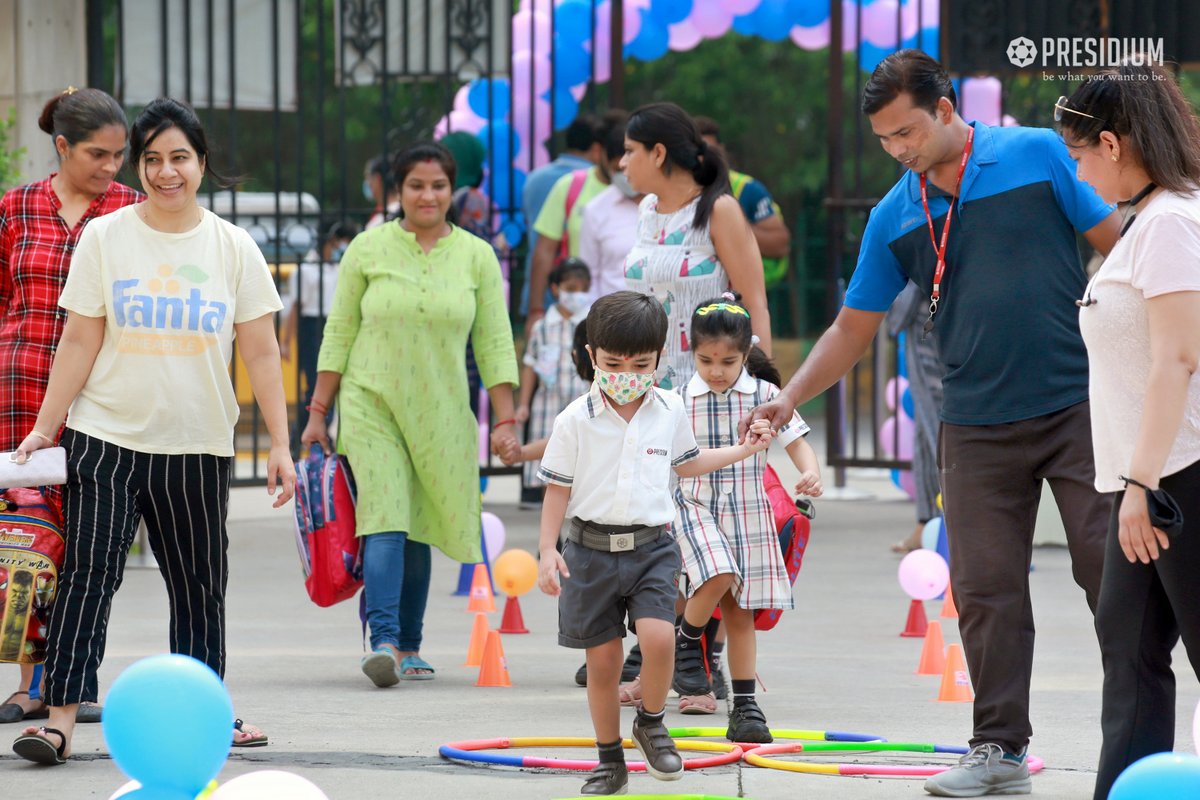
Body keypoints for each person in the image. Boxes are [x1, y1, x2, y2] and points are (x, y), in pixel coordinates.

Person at [745, 50, 1123, 797]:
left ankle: (1137, 738)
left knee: (1109, 571)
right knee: (985, 590)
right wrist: (788, 397)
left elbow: (1120, 244)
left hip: (1078, 407)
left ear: (946, 109)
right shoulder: (894, 214)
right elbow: (852, 330)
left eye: (907, 132)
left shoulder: (1038, 154)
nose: (899, 150)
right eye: (885, 140)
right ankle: (998, 750)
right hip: (974, 425)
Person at [9, 97, 294, 765]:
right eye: (154, 160)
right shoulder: (106, 239)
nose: (168, 173)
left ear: (202, 163)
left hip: (196, 445)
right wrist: (46, 428)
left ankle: (205, 712)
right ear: (139, 167)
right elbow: (79, 340)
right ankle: (59, 720)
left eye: (180, 159)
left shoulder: (233, 246)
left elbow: (259, 352)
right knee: (88, 576)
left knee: (199, 583)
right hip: (105, 437)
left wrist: (279, 445)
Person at [536, 290, 775, 796]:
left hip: (651, 548)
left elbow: (687, 464)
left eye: (641, 363)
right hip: (589, 551)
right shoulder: (575, 419)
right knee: (602, 664)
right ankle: (608, 760)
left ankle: (650, 719)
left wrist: (742, 449)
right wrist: (546, 550)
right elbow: (557, 487)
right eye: (612, 362)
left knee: (661, 638)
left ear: (660, 358)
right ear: (591, 356)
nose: (626, 372)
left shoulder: (667, 409)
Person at [301, 141, 519, 688]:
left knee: (420, 524)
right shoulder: (367, 250)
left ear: (452, 190)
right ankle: (384, 642)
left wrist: (509, 420)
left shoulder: (476, 256)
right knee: (386, 518)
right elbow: (339, 333)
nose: (427, 195)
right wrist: (318, 411)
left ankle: (412, 644)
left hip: (443, 412)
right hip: (370, 403)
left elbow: (495, 342)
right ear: (398, 190)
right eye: (416, 185)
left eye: (438, 185)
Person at [1055, 64, 1200, 800]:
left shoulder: (1172, 222)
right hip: (1148, 475)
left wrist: (1144, 484)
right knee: (1130, 651)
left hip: (1177, 474)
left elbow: (1178, 356)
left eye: (1078, 156)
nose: (1078, 173)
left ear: (1110, 144)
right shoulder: (1152, 221)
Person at [0, 87, 140, 728]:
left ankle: (71, 678)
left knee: (90, 550)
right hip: (19, 396)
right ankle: (30, 683)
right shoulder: (16, 207)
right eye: (97, 154)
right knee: (28, 543)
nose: (112, 168)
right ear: (61, 146)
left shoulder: (134, 212)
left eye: (119, 155)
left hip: (100, 407)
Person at [660, 293, 821, 733]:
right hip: (694, 504)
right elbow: (670, 460)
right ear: (689, 349)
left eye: (728, 361)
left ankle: (746, 707)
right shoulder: (675, 400)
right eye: (706, 359)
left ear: (746, 353)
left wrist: (809, 473)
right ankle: (687, 641)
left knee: (739, 610)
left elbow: (797, 441)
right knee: (715, 575)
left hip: (749, 508)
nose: (716, 371)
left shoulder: (768, 395)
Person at [621, 102, 772, 392]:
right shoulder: (646, 210)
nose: (621, 163)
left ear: (658, 153)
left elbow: (754, 304)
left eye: (629, 150)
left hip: (711, 391)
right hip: (647, 394)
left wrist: (762, 391)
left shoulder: (719, 209)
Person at [526, 110, 628, 337]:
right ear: (599, 151)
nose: (623, 164)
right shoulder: (570, 186)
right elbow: (544, 250)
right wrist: (535, 310)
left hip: (632, 313)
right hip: (575, 307)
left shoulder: (642, 192)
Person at [515, 258, 591, 506]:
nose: (576, 295)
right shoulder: (542, 327)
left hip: (581, 401)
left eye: (583, 289)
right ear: (555, 289)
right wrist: (523, 405)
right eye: (570, 289)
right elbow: (530, 365)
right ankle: (551, 534)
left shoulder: (590, 324)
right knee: (549, 465)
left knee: (580, 466)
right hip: (547, 406)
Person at [694, 116, 791, 287]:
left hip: (741, 294)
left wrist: (732, 225)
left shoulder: (747, 189)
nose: (703, 160)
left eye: (709, 151)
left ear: (721, 150)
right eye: (696, 153)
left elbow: (780, 244)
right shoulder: (671, 192)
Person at [886, 281, 946, 553]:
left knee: (940, 428)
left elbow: (918, 272)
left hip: (934, 321)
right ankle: (928, 521)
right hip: (934, 318)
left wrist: (896, 316)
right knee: (926, 427)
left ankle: (951, 526)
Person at [520, 113, 601, 314]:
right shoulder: (594, 183)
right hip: (578, 294)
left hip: (538, 291)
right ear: (596, 148)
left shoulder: (534, 178)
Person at [280, 220, 361, 411]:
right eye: (335, 244)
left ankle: (318, 437)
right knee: (315, 386)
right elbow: (295, 308)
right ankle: (302, 435)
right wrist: (285, 342)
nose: (339, 249)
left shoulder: (338, 268)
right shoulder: (306, 270)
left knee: (332, 383)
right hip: (311, 328)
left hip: (333, 325)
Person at [579, 117, 643, 301]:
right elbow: (589, 275)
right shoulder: (596, 210)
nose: (624, 175)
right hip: (614, 320)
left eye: (627, 167)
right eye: (616, 169)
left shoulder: (666, 203)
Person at [364, 153, 400, 230]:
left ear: (377, 179)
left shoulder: (379, 222)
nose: (368, 183)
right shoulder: (410, 215)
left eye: (368, 178)